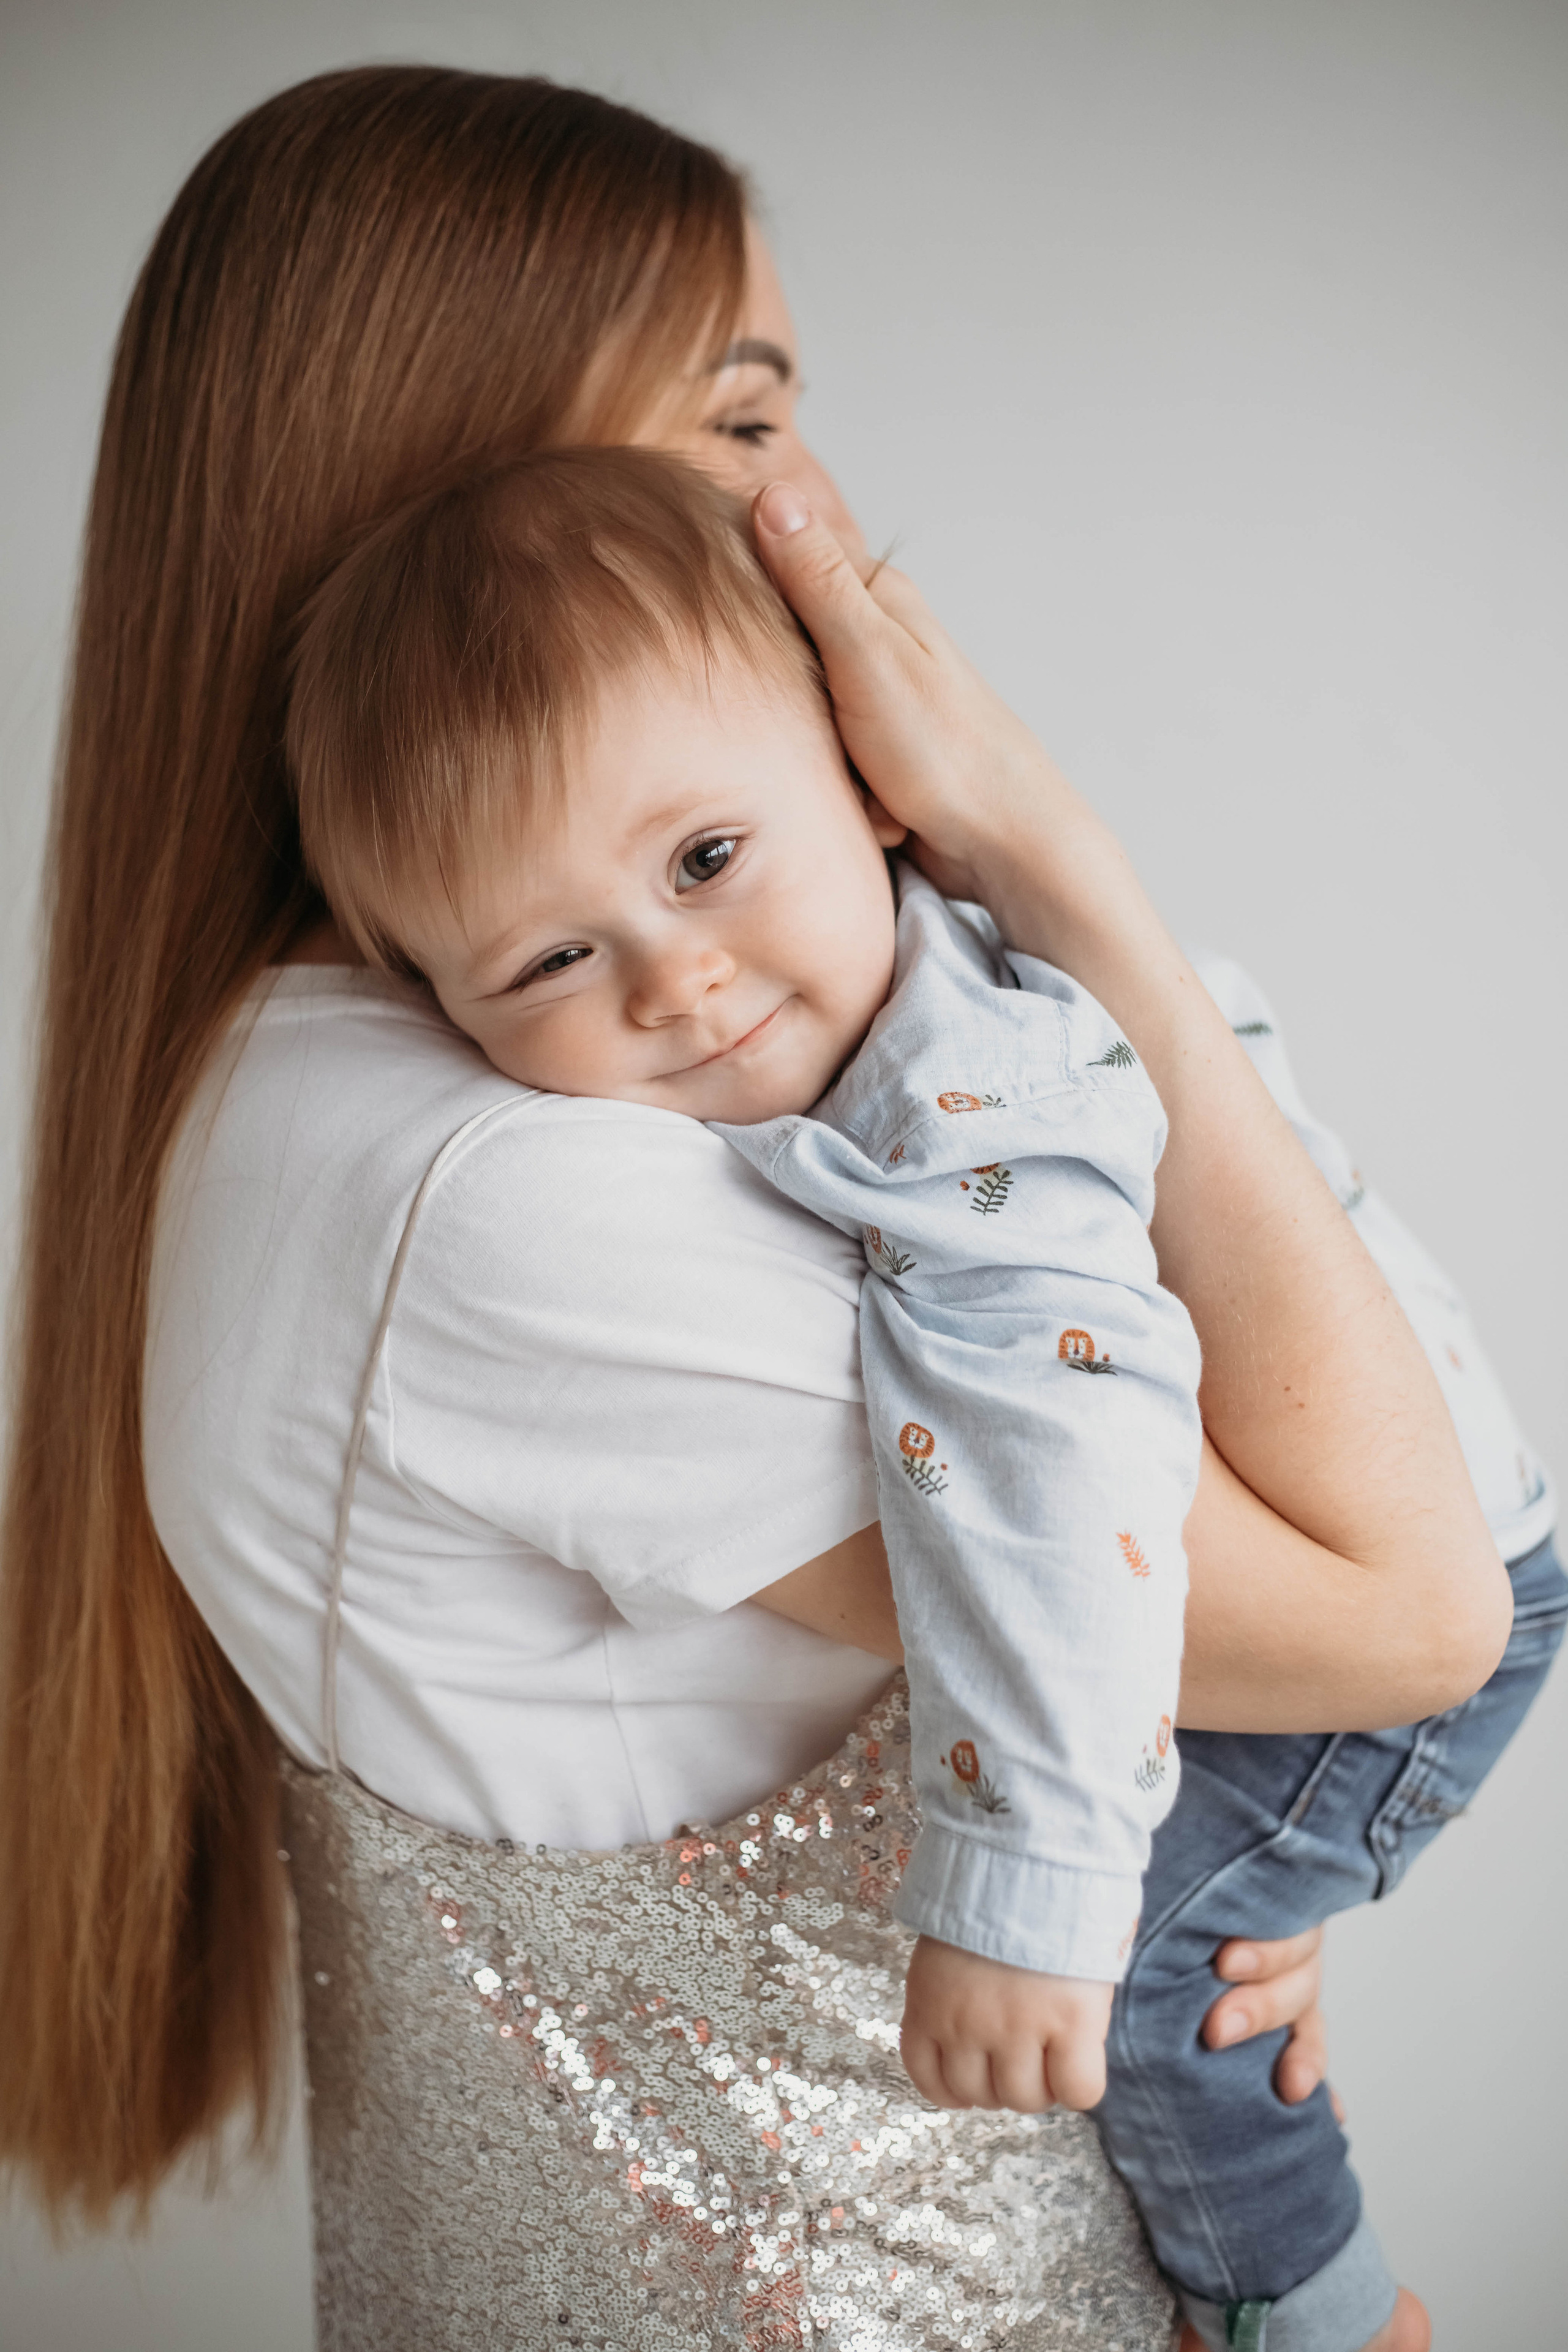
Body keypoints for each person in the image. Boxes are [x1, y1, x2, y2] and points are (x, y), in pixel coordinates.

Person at [0, 63, 1540, 2352]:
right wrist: (1051, 857)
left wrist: (1233, 1839)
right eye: (737, 422)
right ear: (485, 477)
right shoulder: (503, 1187)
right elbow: (1414, 1615)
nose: (811, 506)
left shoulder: (360, 1077)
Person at [279, 442, 1565, 2352]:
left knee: (1147, 1981)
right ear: (433, 1008)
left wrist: (1026, 1888)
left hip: (1447, 1590)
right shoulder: (864, 1022)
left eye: (706, 861)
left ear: (865, 785)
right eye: (552, 959)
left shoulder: (969, 1115)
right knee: (1207, 1928)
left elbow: (1056, 1464)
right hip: (1398, 1517)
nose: (678, 981)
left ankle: (1326, 2316)